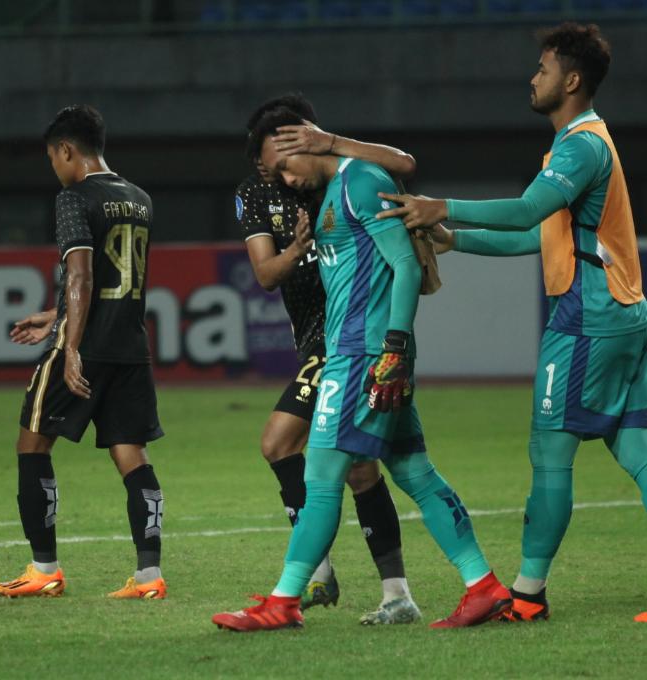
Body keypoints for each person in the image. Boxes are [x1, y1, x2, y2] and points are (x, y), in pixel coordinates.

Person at [377, 22, 647, 623]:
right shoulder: (586, 143)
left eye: (542, 68)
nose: (533, 78)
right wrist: (457, 240)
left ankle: (528, 595)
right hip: (624, 310)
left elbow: (529, 208)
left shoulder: (580, 147)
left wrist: (441, 206)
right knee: (637, 447)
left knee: (551, 452)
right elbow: (543, 235)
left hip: (588, 321)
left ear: (573, 80)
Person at [211, 107, 512, 632]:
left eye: (284, 165)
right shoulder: (330, 197)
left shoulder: (361, 181)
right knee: (415, 472)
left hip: (362, 357)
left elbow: (403, 264)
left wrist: (394, 347)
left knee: (322, 475)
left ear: (308, 139)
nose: (285, 180)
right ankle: (482, 587)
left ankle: (283, 602)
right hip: (366, 354)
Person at [236, 94, 424, 624]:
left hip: (346, 338)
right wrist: (296, 249)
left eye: (290, 151)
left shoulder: (334, 175)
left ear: (308, 136)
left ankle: (310, 580)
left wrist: (333, 145)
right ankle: (395, 592)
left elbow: (403, 166)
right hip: (322, 338)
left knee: (278, 442)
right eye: (269, 160)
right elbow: (267, 275)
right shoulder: (258, 194)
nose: (281, 171)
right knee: (362, 472)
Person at [0, 105, 167, 600]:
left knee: (33, 444)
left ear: (66, 150)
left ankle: (44, 567)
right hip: (130, 348)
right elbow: (118, 284)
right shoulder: (139, 199)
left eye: (53, 158)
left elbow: (85, 275)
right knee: (132, 454)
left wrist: (69, 346)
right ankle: (150, 577)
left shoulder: (74, 198)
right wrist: (55, 314)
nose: (54, 167)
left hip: (86, 346)